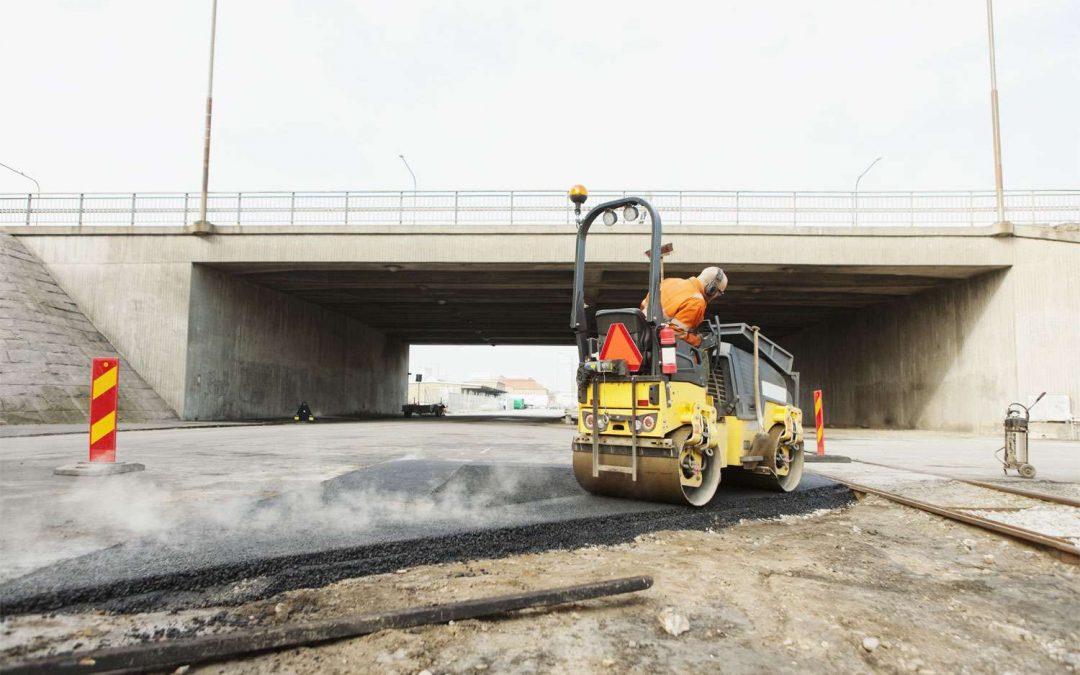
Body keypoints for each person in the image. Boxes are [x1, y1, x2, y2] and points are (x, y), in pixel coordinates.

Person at [640, 267, 727, 346]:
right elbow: (676, 334)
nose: (718, 296)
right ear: (711, 288)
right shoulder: (696, 301)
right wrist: (699, 341)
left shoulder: (669, 281)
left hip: (642, 338)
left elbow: (643, 308)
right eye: (719, 292)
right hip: (659, 347)